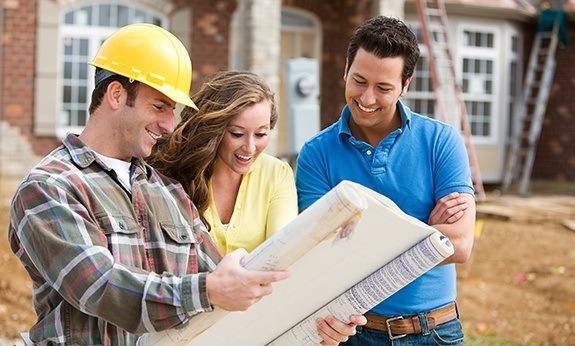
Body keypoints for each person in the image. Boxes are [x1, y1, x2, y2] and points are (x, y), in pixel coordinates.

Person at [8, 24, 357, 345]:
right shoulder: (50, 187)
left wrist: (315, 323)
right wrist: (207, 291)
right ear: (116, 94)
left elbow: (232, 284)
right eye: (160, 106)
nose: (169, 124)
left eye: (172, 110)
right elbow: (102, 288)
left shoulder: (167, 192)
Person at [295, 16, 477, 345]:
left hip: (434, 331)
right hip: (355, 333)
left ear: (405, 85)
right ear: (346, 69)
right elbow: (321, 251)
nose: (366, 98)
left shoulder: (441, 141)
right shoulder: (316, 154)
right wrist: (423, 230)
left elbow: (460, 245)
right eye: (359, 81)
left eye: (383, 88)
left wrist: (360, 235)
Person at [149, 70, 297, 255]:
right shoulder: (174, 171)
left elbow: (284, 250)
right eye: (237, 134)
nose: (250, 148)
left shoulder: (278, 174)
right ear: (214, 129)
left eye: (260, 134)